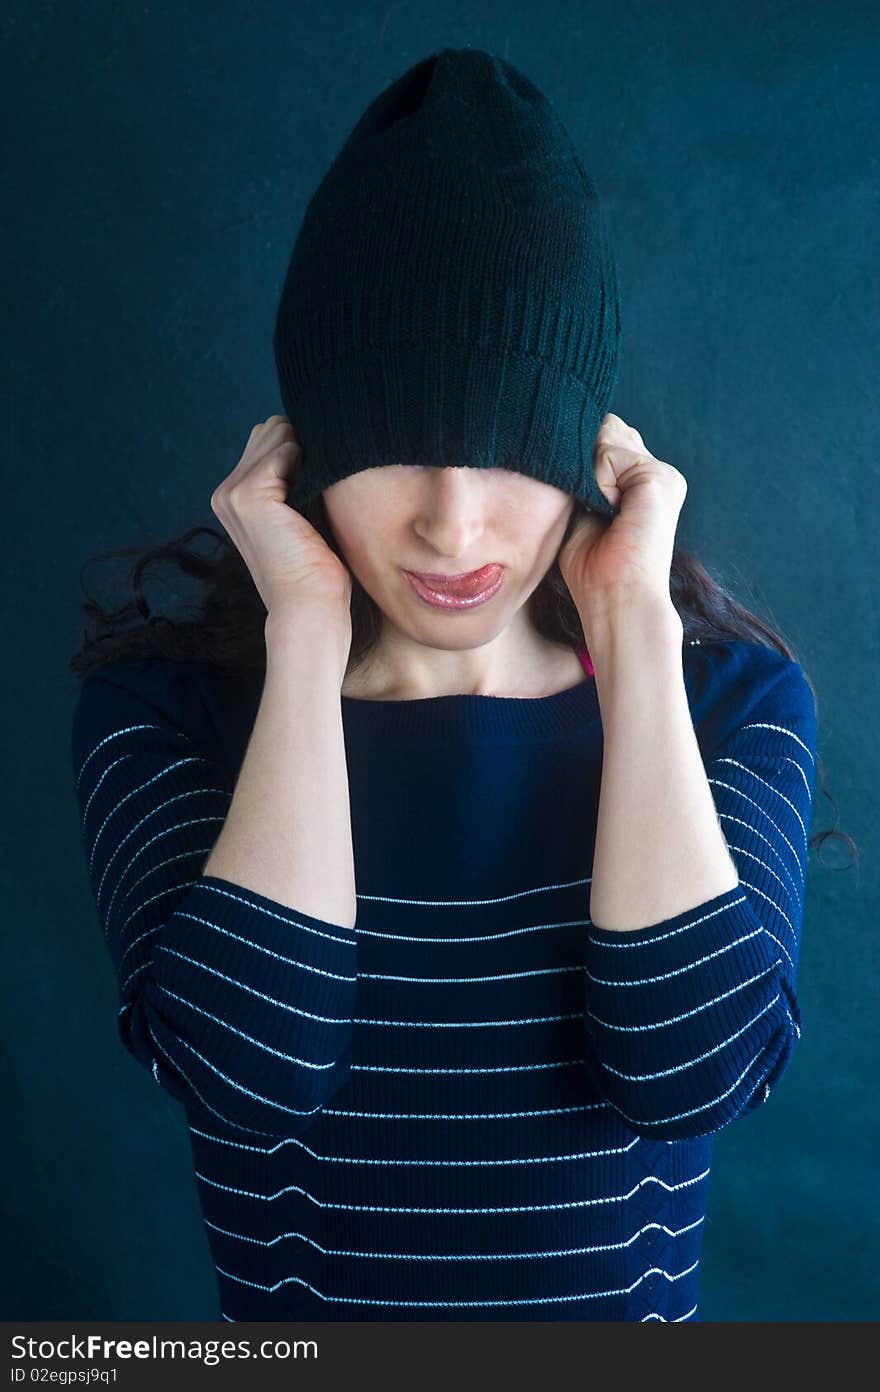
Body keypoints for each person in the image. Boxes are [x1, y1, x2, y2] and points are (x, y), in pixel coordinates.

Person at [69, 49, 824, 1322]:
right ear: (309, 449)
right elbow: (247, 1075)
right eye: (396, 449)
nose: (450, 527)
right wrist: (304, 634)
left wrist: (632, 633)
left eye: (506, 449)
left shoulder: (727, 705)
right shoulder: (164, 713)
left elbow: (689, 1071)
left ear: (587, 448)